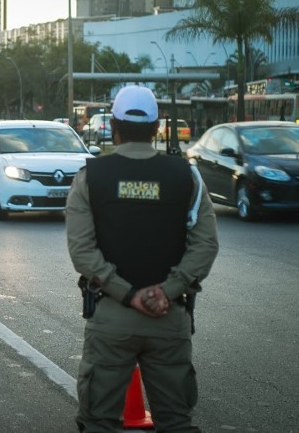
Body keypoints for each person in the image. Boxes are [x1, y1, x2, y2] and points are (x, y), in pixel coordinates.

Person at [66, 85, 219, 432]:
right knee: (177, 422)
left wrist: (127, 293)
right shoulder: (187, 176)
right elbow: (205, 244)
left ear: (114, 126)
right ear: (157, 128)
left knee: (98, 422)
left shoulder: (90, 177)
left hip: (112, 319)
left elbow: (83, 251)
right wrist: (168, 290)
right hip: (169, 319)